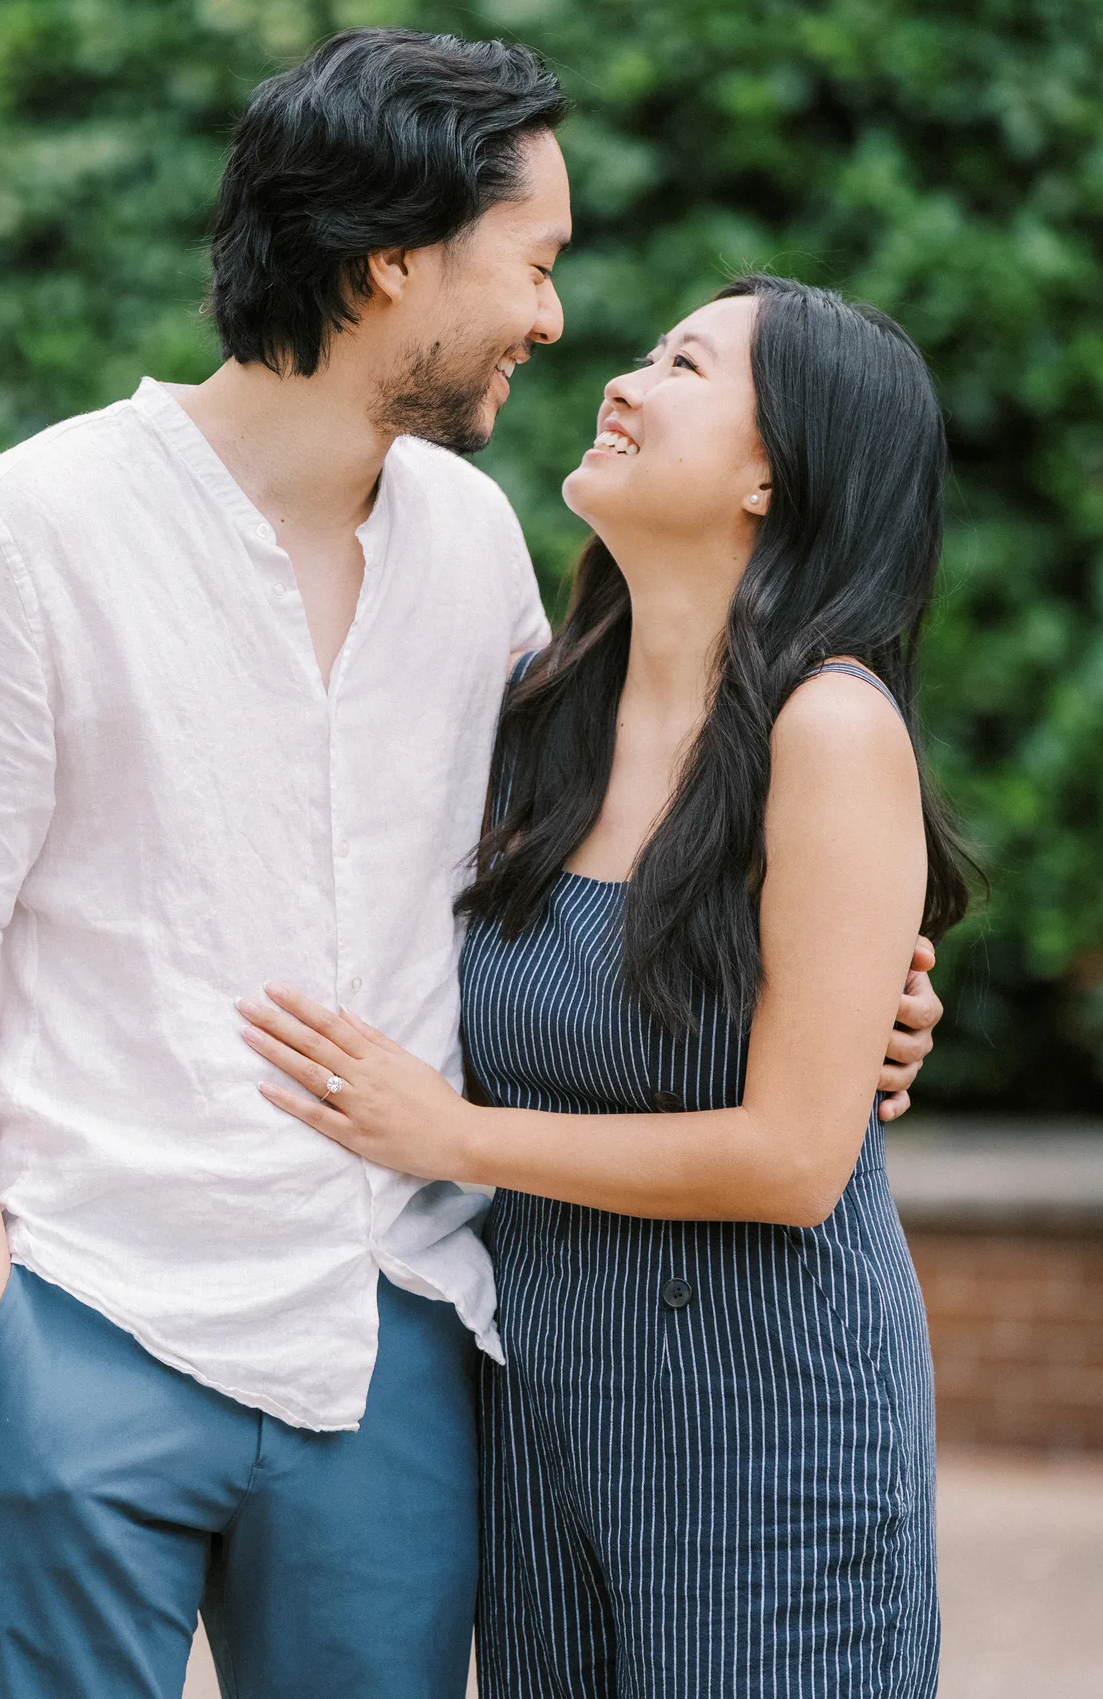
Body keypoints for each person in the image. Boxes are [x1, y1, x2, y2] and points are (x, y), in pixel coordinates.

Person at [0, 24, 940, 1699]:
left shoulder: (474, 544)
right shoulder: (25, 534)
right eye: (537, 262)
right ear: (392, 260)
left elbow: (602, 878)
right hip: (90, 1317)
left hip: (393, 1349)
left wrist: (863, 998)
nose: (559, 324)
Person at [239, 274, 966, 1698]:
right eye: (648, 354)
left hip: (771, 1427)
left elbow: (797, 1159)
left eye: (684, 367)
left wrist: (448, 1137)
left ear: (776, 468)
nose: (623, 381)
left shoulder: (829, 729)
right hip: (544, 1413)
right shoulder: (535, 715)